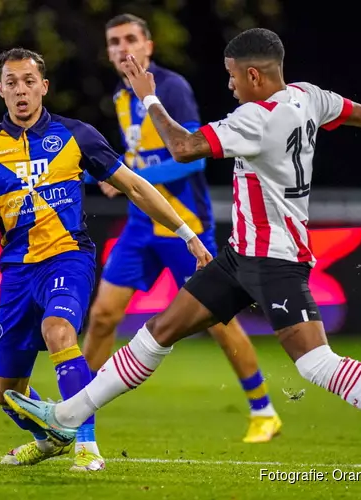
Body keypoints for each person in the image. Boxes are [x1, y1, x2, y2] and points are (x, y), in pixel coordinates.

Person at [3, 29, 361, 485]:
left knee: (316, 364)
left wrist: (148, 94)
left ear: (254, 75)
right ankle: (68, 417)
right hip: (241, 257)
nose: (230, 85)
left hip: (274, 260)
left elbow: (183, 145)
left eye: (233, 75)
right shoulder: (310, 96)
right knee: (157, 334)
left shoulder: (254, 118)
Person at [0, 47, 211, 472]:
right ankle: (50, 439)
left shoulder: (76, 135)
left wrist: (187, 234)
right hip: (16, 274)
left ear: (44, 87)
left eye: (29, 81)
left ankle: (87, 447)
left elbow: (135, 187)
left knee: (58, 329)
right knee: (5, 392)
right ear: (1, 91)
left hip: (67, 260)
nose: (21, 90)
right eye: (12, 83)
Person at [82, 13, 281, 443]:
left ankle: (263, 409)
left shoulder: (170, 88)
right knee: (101, 317)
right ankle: (74, 409)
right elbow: (136, 157)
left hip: (184, 227)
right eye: (114, 41)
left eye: (131, 39)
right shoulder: (120, 95)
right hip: (140, 227)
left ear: (149, 46)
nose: (122, 48)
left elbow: (188, 154)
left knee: (217, 322)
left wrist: (129, 179)